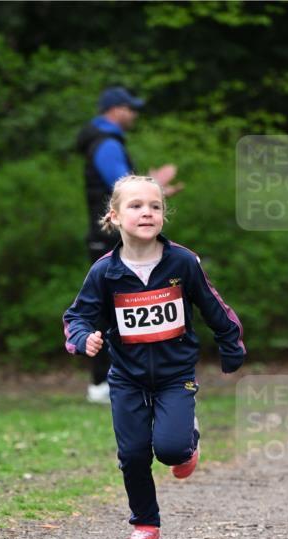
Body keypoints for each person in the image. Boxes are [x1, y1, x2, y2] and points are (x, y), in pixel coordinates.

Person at [63, 174, 245, 539]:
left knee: (170, 450)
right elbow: (76, 317)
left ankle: (187, 443)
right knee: (132, 455)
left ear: (163, 215)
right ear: (114, 216)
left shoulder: (182, 261)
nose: (147, 212)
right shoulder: (104, 272)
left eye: (155, 206)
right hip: (126, 377)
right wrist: (84, 339)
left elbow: (214, 305)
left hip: (174, 375)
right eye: (136, 206)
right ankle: (145, 527)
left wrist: (231, 344)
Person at [76, 86, 182, 404]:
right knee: (114, 307)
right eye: (129, 108)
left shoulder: (105, 142)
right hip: (111, 237)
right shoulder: (107, 145)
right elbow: (126, 192)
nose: (133, 114)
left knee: (126, 305)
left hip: (111, 237)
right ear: (114, 110)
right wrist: (155, 189)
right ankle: (103, 383)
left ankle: (119, 379)